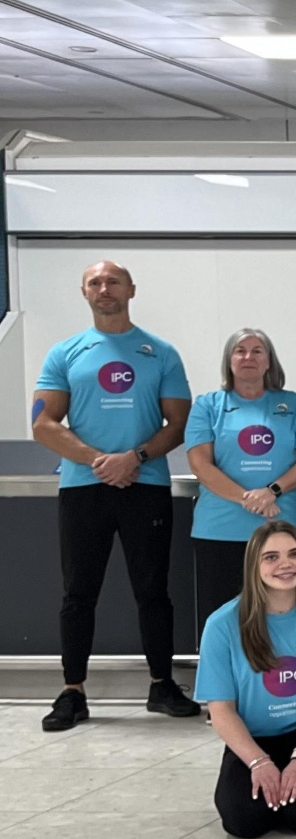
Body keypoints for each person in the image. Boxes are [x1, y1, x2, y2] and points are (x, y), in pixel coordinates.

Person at [34, 260, 196, 730]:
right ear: (84, 292)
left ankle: (162, 685)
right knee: (78, 593)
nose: (104, 288)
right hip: (83, 488)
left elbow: (179, 423)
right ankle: (73, 691)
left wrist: (135, 458)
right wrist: (99, 461)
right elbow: (43, 423)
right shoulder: (65, 352)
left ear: (131, 289)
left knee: (153, 591)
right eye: (95, 282)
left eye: (113, 281)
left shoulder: (161, 352)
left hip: (145, 486)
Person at [194, 521, 296, 839]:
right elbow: (221, 710)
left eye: (295, 554)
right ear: (254, 564)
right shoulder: (222, 624)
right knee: (244, 822)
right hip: (253, 738)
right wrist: (258, 762)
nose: (285, 564)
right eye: (271, 557)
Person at [187, 328, 296, 625]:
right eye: (240, 350)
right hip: (221, 531)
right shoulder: (207, 406)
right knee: (223, 621)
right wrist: (250, 499)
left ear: (269, 361)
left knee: (289, 619)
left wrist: (272, 491)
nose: (249, 357)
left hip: (287, 528)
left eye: (257, 351)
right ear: (229, 360)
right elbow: (200, 464)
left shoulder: (294, 405)